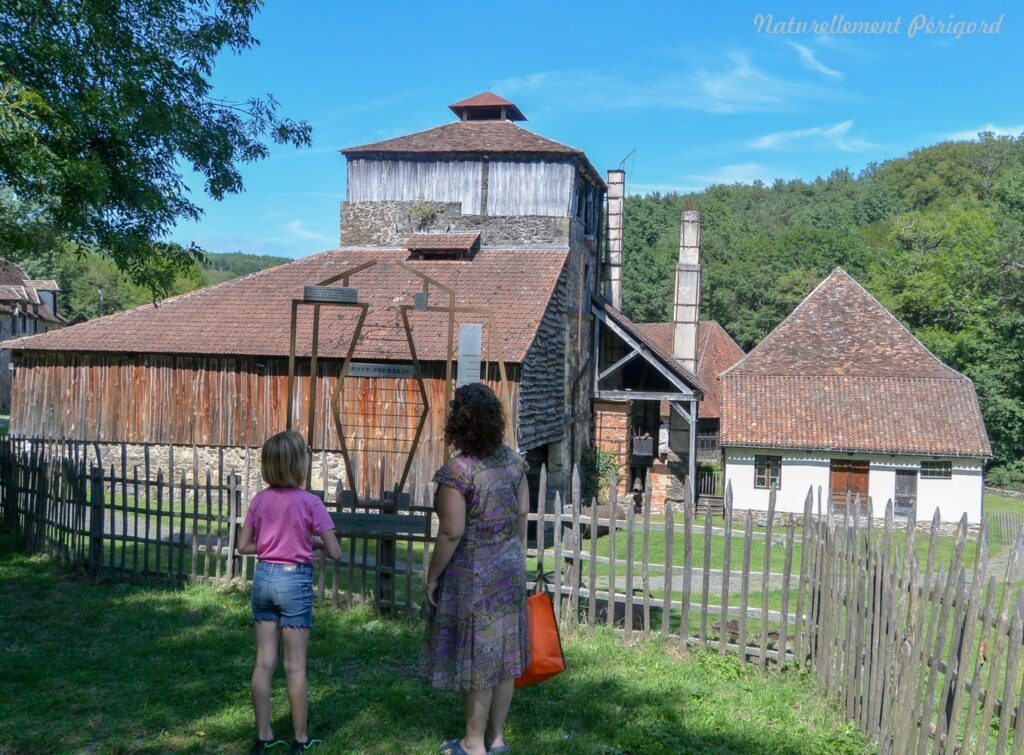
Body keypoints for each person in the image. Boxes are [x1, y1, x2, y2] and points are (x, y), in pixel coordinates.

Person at [422, 383, 530, 755]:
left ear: (458, 423)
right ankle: (496, 739)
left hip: (475, 575)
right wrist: (512, 556)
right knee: (504, 658)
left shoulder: (459, 471)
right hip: (509, 569)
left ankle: (472, 744)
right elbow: (520, 514)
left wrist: (433, 576)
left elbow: (451, 532)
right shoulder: (514, 463)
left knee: (479, 658)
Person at [237, 431, 341, 755]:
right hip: (294, 583)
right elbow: (336, 552)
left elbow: (244, 547)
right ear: (299, 464)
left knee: (264, 662)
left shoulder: (259, 500)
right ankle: (299, 739)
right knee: (295, 666)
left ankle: (264, 736)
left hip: (264, 579)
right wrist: (314, 542)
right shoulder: (311, 502)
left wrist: (276, 545)